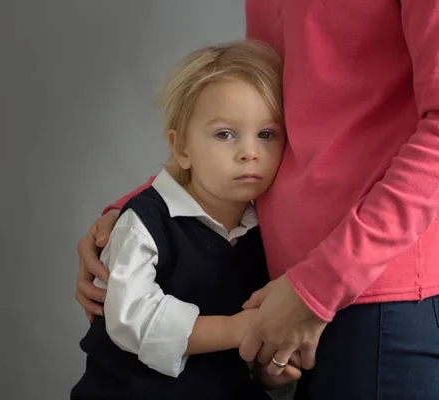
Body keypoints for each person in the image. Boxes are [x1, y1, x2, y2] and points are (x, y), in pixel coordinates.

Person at [75, 1, 439, 399]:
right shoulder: (167, 225)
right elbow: (258, 99)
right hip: (283, 290)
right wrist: (147, 206)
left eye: (265, 137)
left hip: (372, 288)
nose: (250, 151)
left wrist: (313, 289)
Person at [71, 40, 301, 399]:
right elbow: (132, 320)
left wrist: (270, 369)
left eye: (267, 134)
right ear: (181, 148)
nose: (250, 153)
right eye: (225, 134)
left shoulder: (266, 232)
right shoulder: (144, 222)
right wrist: (234, 330)